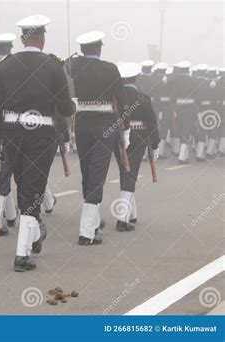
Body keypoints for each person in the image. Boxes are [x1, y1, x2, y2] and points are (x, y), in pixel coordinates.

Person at [0, 15, 75, 271]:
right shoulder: (53, 66)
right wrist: (73, 106)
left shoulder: (4, 66)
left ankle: (35, 236)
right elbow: (64, 107)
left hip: (12, 133)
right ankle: (22, 255)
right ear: (41, 38)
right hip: (41, 133)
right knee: (33, 189)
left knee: (24, 185)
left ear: (22, 38)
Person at [66, 31, 128, 245]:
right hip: (105, 124)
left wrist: (74, 57)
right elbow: (122, 100)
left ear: (82, 49)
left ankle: (92, 224)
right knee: (97, 173)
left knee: (87, 172)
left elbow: (64, 66)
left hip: (82, 123)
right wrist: (125, 129)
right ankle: (86, 232)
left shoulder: (75, 66)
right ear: (99, 48)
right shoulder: (110, 69)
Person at [113, 63, 159, 231]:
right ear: (135, 77)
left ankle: (131, 215)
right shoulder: (142, 97)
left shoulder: (115, 97)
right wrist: (155, 143)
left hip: (118, 135)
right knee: (130, 173)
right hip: (139, 135)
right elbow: (152, 122)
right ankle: (122, 218)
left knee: (125, 172)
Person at [170, 61, 200, 164]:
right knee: (187, 132)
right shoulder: (194, 81)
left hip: (178, 109)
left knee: (180, 130)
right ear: (188, 69)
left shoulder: (174, 81)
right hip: (190, 110)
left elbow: (172, 97)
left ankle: (183, 155)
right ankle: (182, 157)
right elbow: (197, 97)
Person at [150, 62, 173, 159]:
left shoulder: (152, 79)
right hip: (165, 108)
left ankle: (152, 152)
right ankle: (160, 152)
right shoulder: (169, 80)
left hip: (153, 107)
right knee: (163, 129)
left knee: (153, 129)